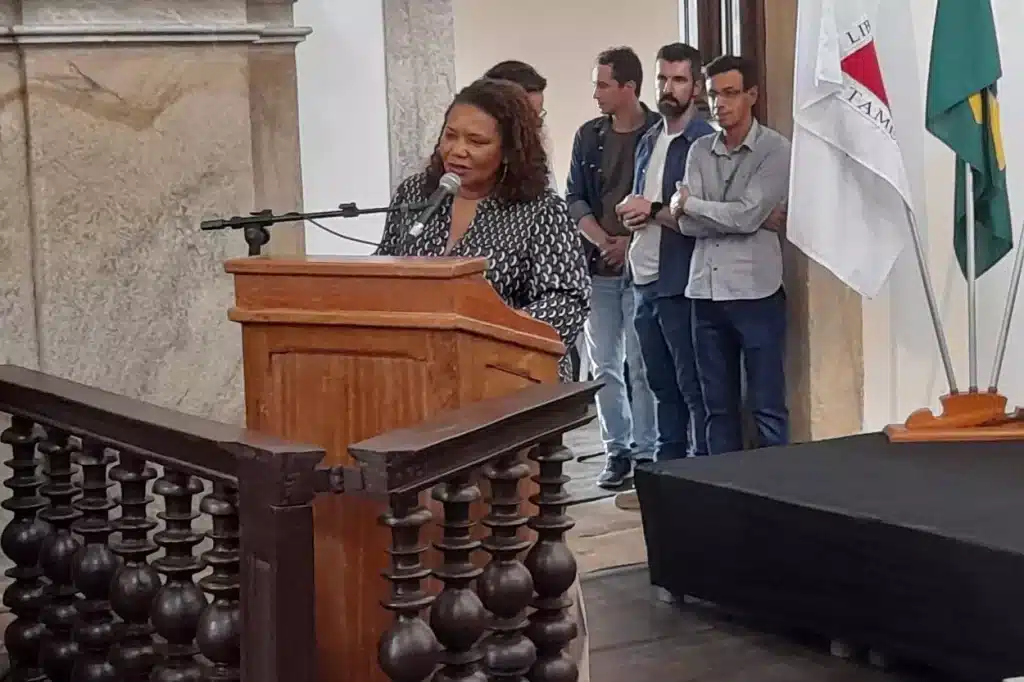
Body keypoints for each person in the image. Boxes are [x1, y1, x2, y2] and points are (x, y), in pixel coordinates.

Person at [375, 78, 591, 382]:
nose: (457, 150)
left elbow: (567, 300)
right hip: (417, 373)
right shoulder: (415, 195)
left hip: (511, 378)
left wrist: (497, 334)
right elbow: (385, 265)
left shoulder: (540, 209)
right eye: (450, 136)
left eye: (476, 142)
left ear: (508, 151)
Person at [669, 54, 790, 454]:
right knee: (716, 409)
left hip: (756, 293)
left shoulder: (775, 150)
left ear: (752, 95)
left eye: (731, 94)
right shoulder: (700, 150)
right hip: (705, 294)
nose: (720, 104)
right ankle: (724, 501)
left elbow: (745, 214)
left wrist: (691, 204)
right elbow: (688, 227)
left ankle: (779, 502)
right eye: (715, 95)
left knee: (766, 408)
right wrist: (733, 215)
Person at [565, 47, 660, 489]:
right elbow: (575, 198)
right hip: (598, 266)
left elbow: (669, 198)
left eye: (603, 84)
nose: (596, 93)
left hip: (644, 266)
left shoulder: (660, 133)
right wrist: (603, 241)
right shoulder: (589, 136)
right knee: (605, 363)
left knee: (642, 364)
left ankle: (647, 452)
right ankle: (616, 450)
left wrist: (631, 243)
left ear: (629, 88)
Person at [616, 43, 715, 466]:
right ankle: (664, 476)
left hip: (681, 281)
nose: (668, 88)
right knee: (658, 385)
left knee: (692, 388)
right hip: (642, 276)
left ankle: (698, 477)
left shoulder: (704, 143)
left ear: (695, 87)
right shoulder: (650, 139)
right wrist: (633, 214)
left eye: (678, 80)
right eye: (662, 79)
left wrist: (653, 211)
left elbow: (704, 219)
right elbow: (647, 202)